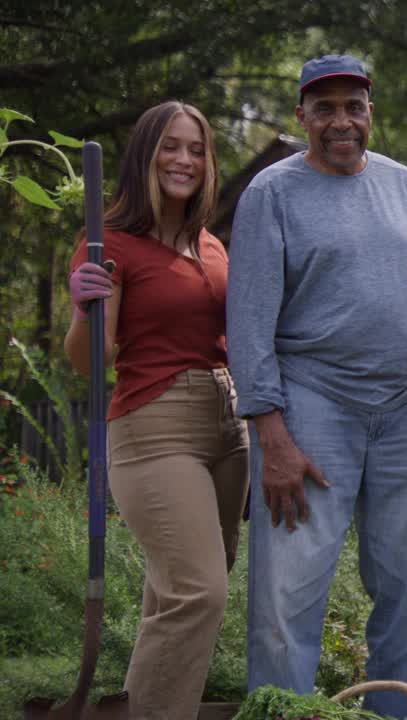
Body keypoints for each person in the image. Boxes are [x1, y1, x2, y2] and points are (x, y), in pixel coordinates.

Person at [226, 54, 407, 719]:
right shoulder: (270, 194)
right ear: (301, 115)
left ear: (370, 112)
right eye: (324, 108)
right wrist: (270, 435)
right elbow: (248, 325)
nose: (340, 121)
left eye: (353, 106)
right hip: (311, 406)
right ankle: (283, 711)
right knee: (288, 593)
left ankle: (398, 713)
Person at [64, 100, 246, 719]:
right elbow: (89, 358)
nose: (185, 160)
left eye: (197, 149)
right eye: (171, 146)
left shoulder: (212, 247)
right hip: (154, 423)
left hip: (228, 421)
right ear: (146, 153)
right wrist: (84, 306)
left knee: (181, 589)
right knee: (199, 591)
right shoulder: (108, 242)